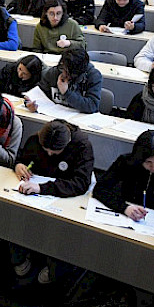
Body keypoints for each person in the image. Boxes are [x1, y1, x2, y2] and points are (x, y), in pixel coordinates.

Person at [10, 120, 94, 284]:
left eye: (54, 152)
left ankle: (55, 265)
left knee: (61, 228)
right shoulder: (38, 139)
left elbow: (80, 183)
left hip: (66, 195)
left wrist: (42, 188)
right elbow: (22, 158)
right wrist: (19, 165)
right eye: (45, 150)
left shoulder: (82, 146)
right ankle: (19, 255)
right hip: (38, 193)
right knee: (18, 213)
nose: (49, 154)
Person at [93, 130, 154, 232]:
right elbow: (100, 189)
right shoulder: (127, 162)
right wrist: (124, 208)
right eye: (148, 162)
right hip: (128, 219)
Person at [27, 47, 102, 114]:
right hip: (55, 114)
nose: (64, 73)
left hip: (79, 118)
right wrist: (30, 103)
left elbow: (92, 106)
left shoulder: (93, 76)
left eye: (69, 72)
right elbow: (38, 94)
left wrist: (66, 93)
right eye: (62, 68)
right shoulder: (54, 72)